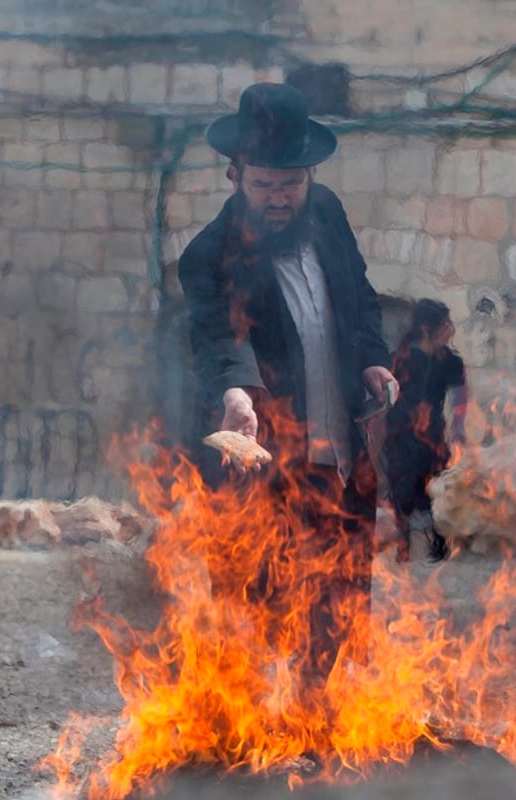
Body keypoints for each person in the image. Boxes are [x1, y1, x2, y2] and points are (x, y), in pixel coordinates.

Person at [178, 82, 397, 680]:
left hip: (342, 443)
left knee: (341, 589)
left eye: (291, 185)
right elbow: (218, 336)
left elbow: (361, 294)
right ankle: (258, 728)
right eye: (265, 186)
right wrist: (236, 393)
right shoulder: (209, 254)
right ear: (235, 175)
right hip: (273, 456)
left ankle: (324, 712)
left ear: (309, 177)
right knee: (268, 591)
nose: (280, 199)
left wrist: (374, 357)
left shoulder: (326, 211)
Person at [384, 299, 468, 563]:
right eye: (444, 325)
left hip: (432, 435)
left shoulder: (449, 361)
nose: (450, 330)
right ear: (425, 328)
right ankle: (402, 547)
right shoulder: (402, 358)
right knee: (403, 493)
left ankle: (440, 546)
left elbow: (461, 393)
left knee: (438, 492)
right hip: (400, 435)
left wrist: (458, 426)